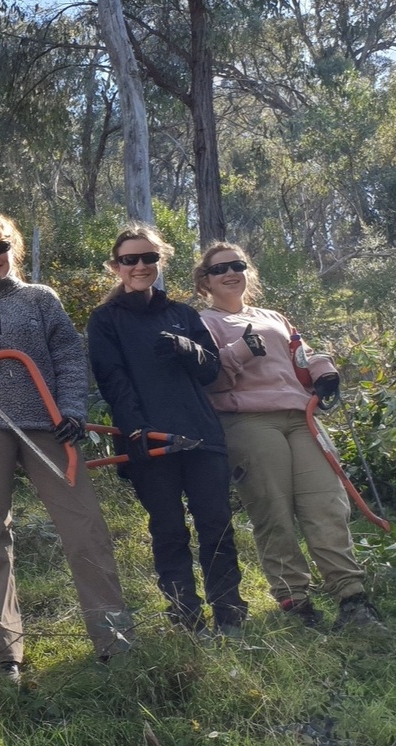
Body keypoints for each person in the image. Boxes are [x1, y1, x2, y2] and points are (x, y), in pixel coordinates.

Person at [0, 206, 134, 682]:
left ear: (12, 249)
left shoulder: (41, 299)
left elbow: (68, 358)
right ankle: (6, 655)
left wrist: (73, 410)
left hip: (46, 424)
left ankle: (114, 640)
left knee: (85, 526)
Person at [194, 243, 385, 631]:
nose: (230, 273)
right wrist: (240, 351)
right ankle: (295, 601)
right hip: (247, 421)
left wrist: (324, 370)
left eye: (238, 265)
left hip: (302, 416)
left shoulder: (273, 316)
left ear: (248, 271)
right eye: (219, 270)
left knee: (327, 505)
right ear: (206, 281)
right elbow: (206, 376)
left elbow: (302, 352)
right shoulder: (202, 322)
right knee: (274, 513)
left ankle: (352, 598)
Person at [86, 224, 248, 637]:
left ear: (161, 262)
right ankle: (186, 619)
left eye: (149, 258)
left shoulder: (184, 313)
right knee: (169, 529)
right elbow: (112, 379)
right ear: (116, 267)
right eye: (130, 259)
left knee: (216, 525)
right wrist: (136, 428)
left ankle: (230, 616)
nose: (140, 266)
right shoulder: (105, 320)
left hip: (201, 435)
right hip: (147, 441)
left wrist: (187, 347)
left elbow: (212, 370)